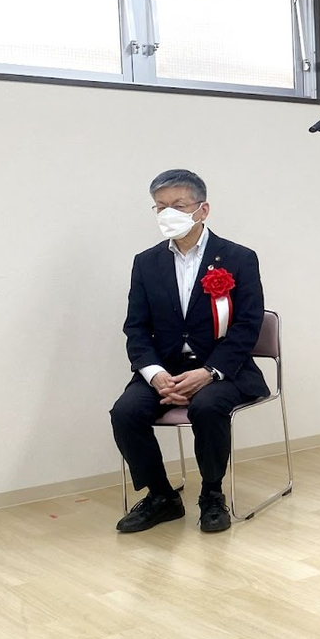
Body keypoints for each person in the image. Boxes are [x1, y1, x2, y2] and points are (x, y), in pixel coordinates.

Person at [110, 169, 269, 535]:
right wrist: (155, 374)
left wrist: (209, 372)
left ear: (202, 209)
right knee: (125, 413)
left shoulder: (238, 258)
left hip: (223, 369)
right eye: (160, 207)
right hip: (166, 369)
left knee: (208, 407)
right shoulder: (146, 262)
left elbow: (247, 325)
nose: (168, 214)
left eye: (178, 205)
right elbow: (136, 327)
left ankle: (212, 494)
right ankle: (162, 496)